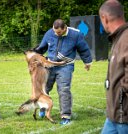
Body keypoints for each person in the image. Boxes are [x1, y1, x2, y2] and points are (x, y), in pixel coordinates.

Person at [34, 19, 92, 125]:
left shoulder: (75, 35)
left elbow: (83, 49)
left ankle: (65, 116)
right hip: (49, 65)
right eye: (55, 32)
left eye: (59, 32)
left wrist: (87, 62)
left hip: (66, 66)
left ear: (65, 28)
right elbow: (41, 47)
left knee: (64, 90)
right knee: (44, 88)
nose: (56, 34)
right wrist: (34, 55)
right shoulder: (50, 33)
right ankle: (43, 108)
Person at [99, 0, 128, 133]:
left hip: (124, 118)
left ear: (104, 18)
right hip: (113, 117)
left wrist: (121, 94)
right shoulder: (118, 38)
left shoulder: (126, 39)